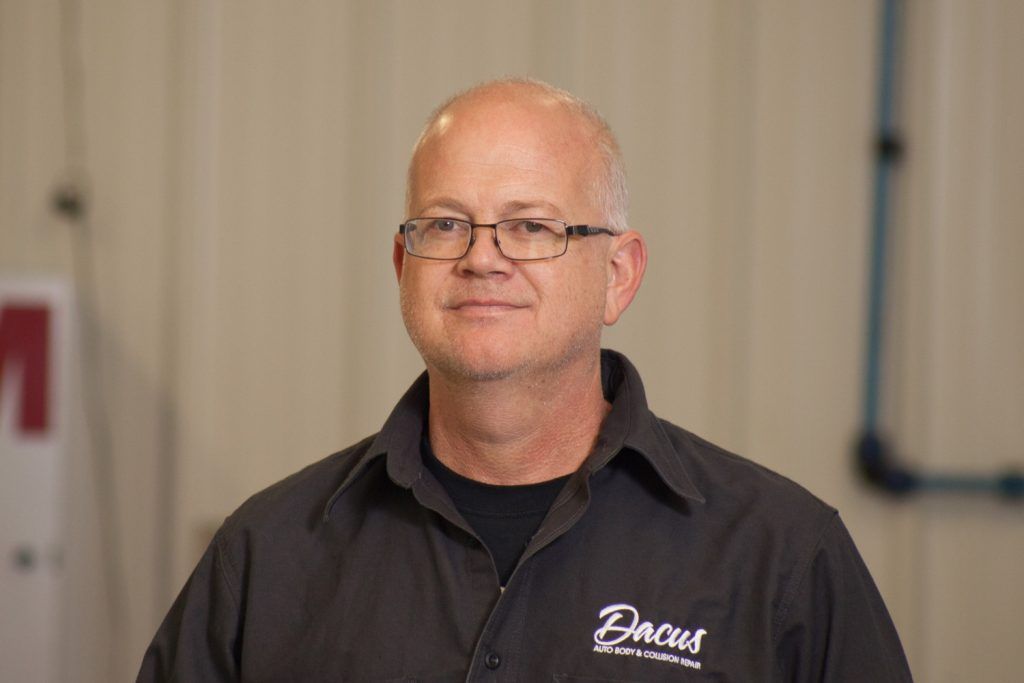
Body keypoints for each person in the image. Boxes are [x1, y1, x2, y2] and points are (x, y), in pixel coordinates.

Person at [138, 78, 912, 681]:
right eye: (446, 223)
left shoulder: (780, 556)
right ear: (404, 265)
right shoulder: (268, 555)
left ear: (618, 274)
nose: (482, 257)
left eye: (532, 225)